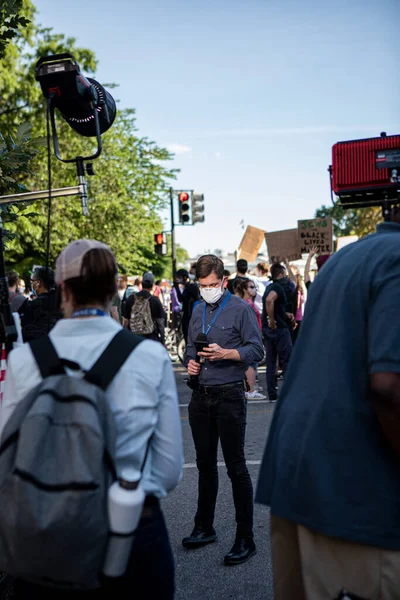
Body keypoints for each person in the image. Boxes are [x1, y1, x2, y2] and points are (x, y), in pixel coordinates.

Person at [1, 239, 183, 600]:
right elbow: (167, 471)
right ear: (116, 288)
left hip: (45, 529)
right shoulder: (149, 357)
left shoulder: (25, 361)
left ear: (61, 289)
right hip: (131, 529)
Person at [256, 211, 400, 599]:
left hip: (297, 483)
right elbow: (390, 388)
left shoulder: (344, 261)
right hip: (359, 499)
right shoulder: (395, 259)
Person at [182, 254, 264, 565]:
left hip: (229, 395)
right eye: (203, 286)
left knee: (236, 468)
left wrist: (228, 353)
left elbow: (257, 349)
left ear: (224, 281)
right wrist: (191, 362)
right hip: (200, 396)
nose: (207, 290)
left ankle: (246, 538)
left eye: (213, 285)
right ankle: (204, 526)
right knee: (205, 466)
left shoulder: (241, 309)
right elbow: (192, 346)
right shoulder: (198, 309)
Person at [262, 263, 294, 401]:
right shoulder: (278, 287)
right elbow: (270, 300)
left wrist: (284, 314)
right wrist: (272, 320)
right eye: (285, 274)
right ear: (280, 274)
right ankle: (289, 392)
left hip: (270, 330)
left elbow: (273, 304)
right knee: (286, 361)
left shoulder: (269, 286)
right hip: (279, 329)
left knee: (271, 362)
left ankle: (272, 393)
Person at [235, 278, 266, 401]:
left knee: (250, 363)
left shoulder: (246, 303)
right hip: (250, 337)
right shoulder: (246, 304)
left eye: (254, 287)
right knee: (250, 364)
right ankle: (250, 390)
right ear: (244, 289)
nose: (254, 289)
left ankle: (249, 389)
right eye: (251, 287)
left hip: (252, 335)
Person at [18, 266, 61, 342]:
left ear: (38, 283)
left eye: (32, 281)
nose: (31, 284)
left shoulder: (30, 306)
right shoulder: (63, 303)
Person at [123, 272, 165, 343]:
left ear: (141, 284)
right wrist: (163, 340)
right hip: (151, 339)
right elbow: (160, 324)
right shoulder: (155, 301)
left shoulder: (131, 299)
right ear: (152, 285)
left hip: (133, 339)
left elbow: (125, 322)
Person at [174, 265, 200, 343]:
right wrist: (177, 287)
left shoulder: (192, 286)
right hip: (187, 315)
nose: (178, 280)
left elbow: (184, 298)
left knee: (189, 337)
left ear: (185, 277)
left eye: (179, 277)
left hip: (190, 316)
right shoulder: (187, 287)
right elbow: (181, 299)